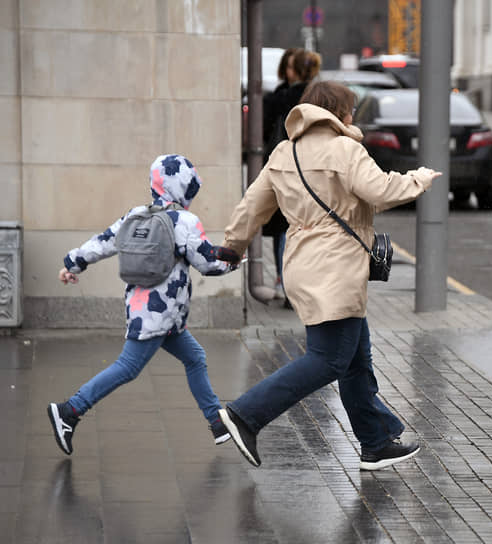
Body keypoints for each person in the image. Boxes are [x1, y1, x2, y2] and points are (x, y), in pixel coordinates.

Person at [216, 81, 442, 470]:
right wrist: (419, 179)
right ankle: (244, 415)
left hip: (302, 262)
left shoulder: (284, 153)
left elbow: (252, 206)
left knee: (355, 358)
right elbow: (382, 191)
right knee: (326, 361)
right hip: (336, 266)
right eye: (351, 109)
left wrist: (232, 247)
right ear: (340, 113)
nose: (353, 116)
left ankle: (376, 442)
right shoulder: (346, 150)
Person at [47, 154, 238, 456]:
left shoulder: (135, 215)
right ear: (184, 187)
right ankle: (69, 411)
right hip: (161, 315)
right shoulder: (184, 221)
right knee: (128, 367)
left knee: (195, 357)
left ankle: (217, 421)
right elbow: (207, 264)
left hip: (146, 311)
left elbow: (104, 242)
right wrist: (234, 262)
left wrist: (73, 264)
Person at [262, 48, 322, 307]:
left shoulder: (281, 97)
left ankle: (286, 283)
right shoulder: (319, 97)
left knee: (285, 228)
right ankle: (301, 285)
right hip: (312, 170)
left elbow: (264, 129)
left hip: (285, 167)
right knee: (306, 228)